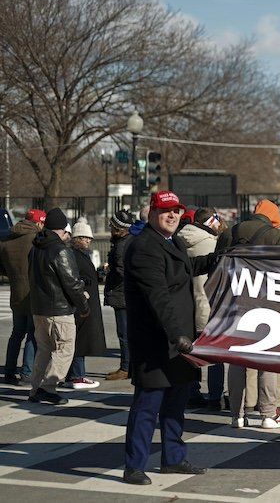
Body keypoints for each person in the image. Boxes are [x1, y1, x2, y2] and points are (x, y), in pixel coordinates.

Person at [121, 191, 218, 485]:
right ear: (152, 212)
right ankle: (134, 465)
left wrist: (220, 257)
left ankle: (173, 459)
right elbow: (158, 296)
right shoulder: (144, 247)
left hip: (179, 341)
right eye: (166, 211)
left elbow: (188, 268)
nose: (172, 215)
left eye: (176, 211)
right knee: (147, 406)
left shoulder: (170, 241)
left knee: (176, 403)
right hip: (157, 343)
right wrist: (178, 335)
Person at [217, 199, 280, 430]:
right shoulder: (278, 238)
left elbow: (216, 265)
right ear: (274, 220)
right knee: (267, 359)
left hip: (232, 304)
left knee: (236, 360)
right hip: (267, 305)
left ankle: (237, 416)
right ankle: (269, 415)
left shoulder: (228, 234)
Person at [26, 208, 88, 405]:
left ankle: (36, 389)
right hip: (59, 309)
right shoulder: (60, 250)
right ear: (61, 229)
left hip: (39, 308)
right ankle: (48, 387)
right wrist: (83, 305)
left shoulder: (35, 247)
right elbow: (72, 283)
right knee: (65, 349)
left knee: (44, 350)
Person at [177, 208, 223, 409]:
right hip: (208, 306)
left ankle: (191, 392)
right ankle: (214, 397)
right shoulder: (212, 244)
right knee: (214, 356)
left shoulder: (178, 241)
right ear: (211, 222)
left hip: (187, 306)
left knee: (189, 353)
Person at [1, 209, 44, 385]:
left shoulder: (7, 239)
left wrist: (12, 275)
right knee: (32, 334)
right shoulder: (36, 240)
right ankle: (27, 372)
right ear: (38, 222)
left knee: (16, 333)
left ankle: (9, 371)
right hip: (33, 293)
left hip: (16, 292)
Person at [64, 218, 103, 391]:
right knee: (79, 340)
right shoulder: (73, 254)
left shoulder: (82, 255)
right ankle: (76, 375)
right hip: (81, 302)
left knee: (82, 339)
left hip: (87, 301)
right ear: (76, 238)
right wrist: (83, 280)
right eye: (84, 238)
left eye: (89, 238)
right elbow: (72, 276)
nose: (88, 241)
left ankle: (75, 374)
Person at [104, 210, 137, 381]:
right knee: (128, 333)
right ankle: (129, 367)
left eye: (111, 225)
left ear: (118, 228)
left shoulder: (120, 246)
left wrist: (109, 273)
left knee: (124, 333)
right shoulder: (130, 241)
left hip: (121, 294)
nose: (109, 228)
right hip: (127, 294)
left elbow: (122, 271)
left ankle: (126, 367)